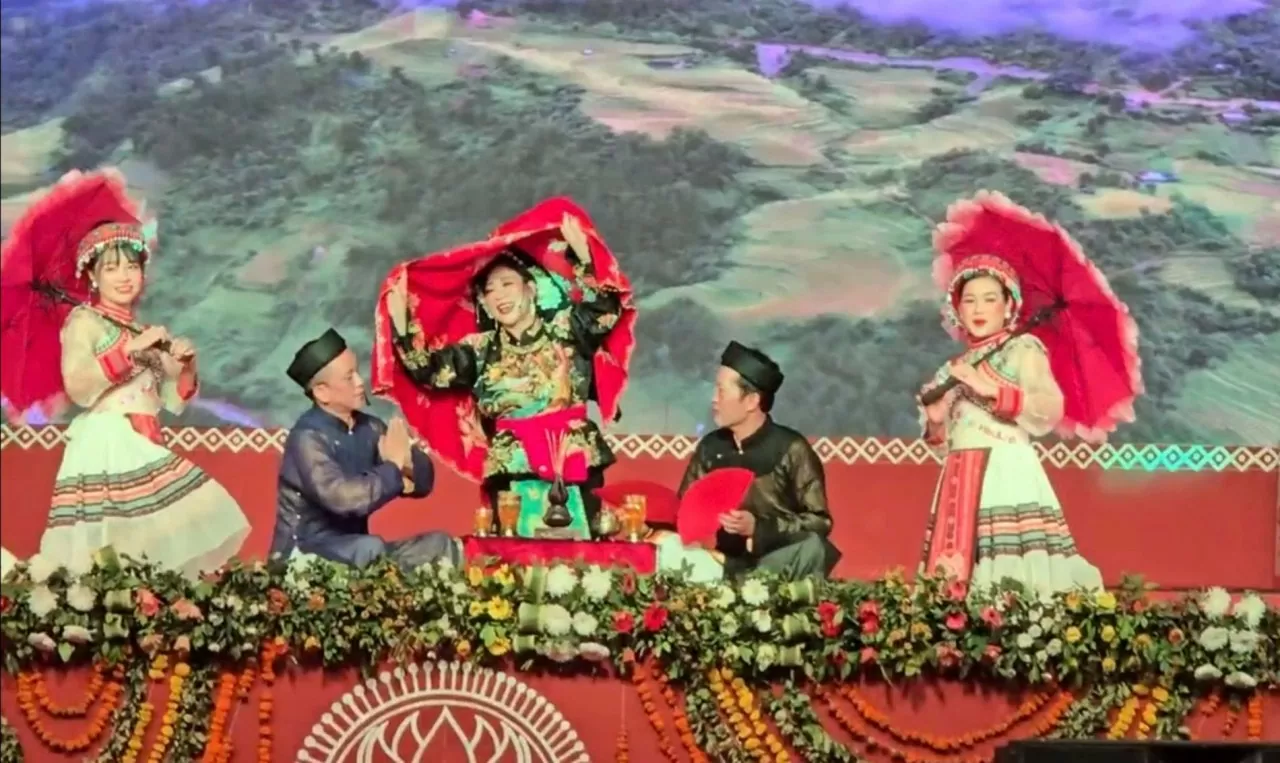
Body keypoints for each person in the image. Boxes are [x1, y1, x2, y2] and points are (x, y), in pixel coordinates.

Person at [376, 198, 635, 540]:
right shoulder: (479, 349)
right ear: (483, 302)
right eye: (489, 290)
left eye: (507, 284)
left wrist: (584, 258)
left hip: (574, 459)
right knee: (516, 565)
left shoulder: (565, 329)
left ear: (530, 289)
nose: (499, 295)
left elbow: (605, 310)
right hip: (512, 469)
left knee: (582, 563)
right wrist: (401, 324)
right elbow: (428, 372)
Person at [39, 222, 250, 578]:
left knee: (152, 552)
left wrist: (185, 364)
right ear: (92, 276)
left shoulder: (140, 328)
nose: (124, 276)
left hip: (145, 437)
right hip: (108, 440)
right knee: (113, 551)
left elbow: (172, 400)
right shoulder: (84, 322)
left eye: (132, 267)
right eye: (111, 268)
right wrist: (128, 352)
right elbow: (77, 387)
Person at [917, 255, 1103, 598]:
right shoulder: (952, 369)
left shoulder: (1022, 349)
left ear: (1008, 307)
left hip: (1006, 473)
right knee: (953, 579)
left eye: (990, 299)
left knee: (1010, 584)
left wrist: (989, 389)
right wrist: (936, 421)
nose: (978, 308)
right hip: (959, 478)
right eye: (969, 300)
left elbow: (1047, 409)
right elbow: (942, 444)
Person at [272, 329, 459, 569]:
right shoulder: (306, 438)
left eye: (357, 372)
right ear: (322, 392)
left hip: (358, 550)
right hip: (305, 553)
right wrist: (394, 469)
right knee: (369, 548)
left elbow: (424, 483)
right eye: (349, 377)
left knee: (438, 545)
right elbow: (345, 499)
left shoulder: (369, 427)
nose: (361, 382)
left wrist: (408, 464)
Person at [676, 341, 840, 581]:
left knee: (812, 547)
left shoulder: (792, 448)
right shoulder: (711, 448)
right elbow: (684, 509)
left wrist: (759, 528)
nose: (714, 399)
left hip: (775, 561)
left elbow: (819, 521)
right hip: (719, 564)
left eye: (721, 391)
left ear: (752, 401)